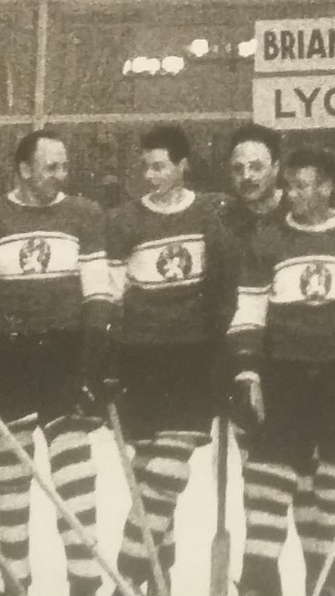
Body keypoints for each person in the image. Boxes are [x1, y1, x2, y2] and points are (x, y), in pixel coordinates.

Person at [230, 146, 335, 596]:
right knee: (268, 473)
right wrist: (247, 372)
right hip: (285, 373)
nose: (294, 194)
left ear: (327, 187)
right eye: (289, 185)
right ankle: (260, 577)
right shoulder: (269, 239)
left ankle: (329, 585)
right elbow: (249, 309)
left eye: (304, 185)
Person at [0, 129, 110, 596]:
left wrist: (91, 368)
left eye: (64, 166)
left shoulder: (84, 214)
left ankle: (85, 583)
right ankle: (15, 583)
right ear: (23, 168)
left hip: (65, 357)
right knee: (12, 482)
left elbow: (99, 296)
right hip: (9, 358)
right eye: (50, 167)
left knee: (76, 478)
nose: (60, 176)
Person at [105, 125, 233, 593]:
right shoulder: (124, 221)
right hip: (140, 361)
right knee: (149, 477)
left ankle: (125, 577)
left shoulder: (210, 216)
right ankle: (160, 582)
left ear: (183, 165)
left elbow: (223, 290)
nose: (150, 175)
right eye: (145, 166)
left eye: (159, 165)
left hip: (192, 361)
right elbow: (113, 296)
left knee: (167, 474)